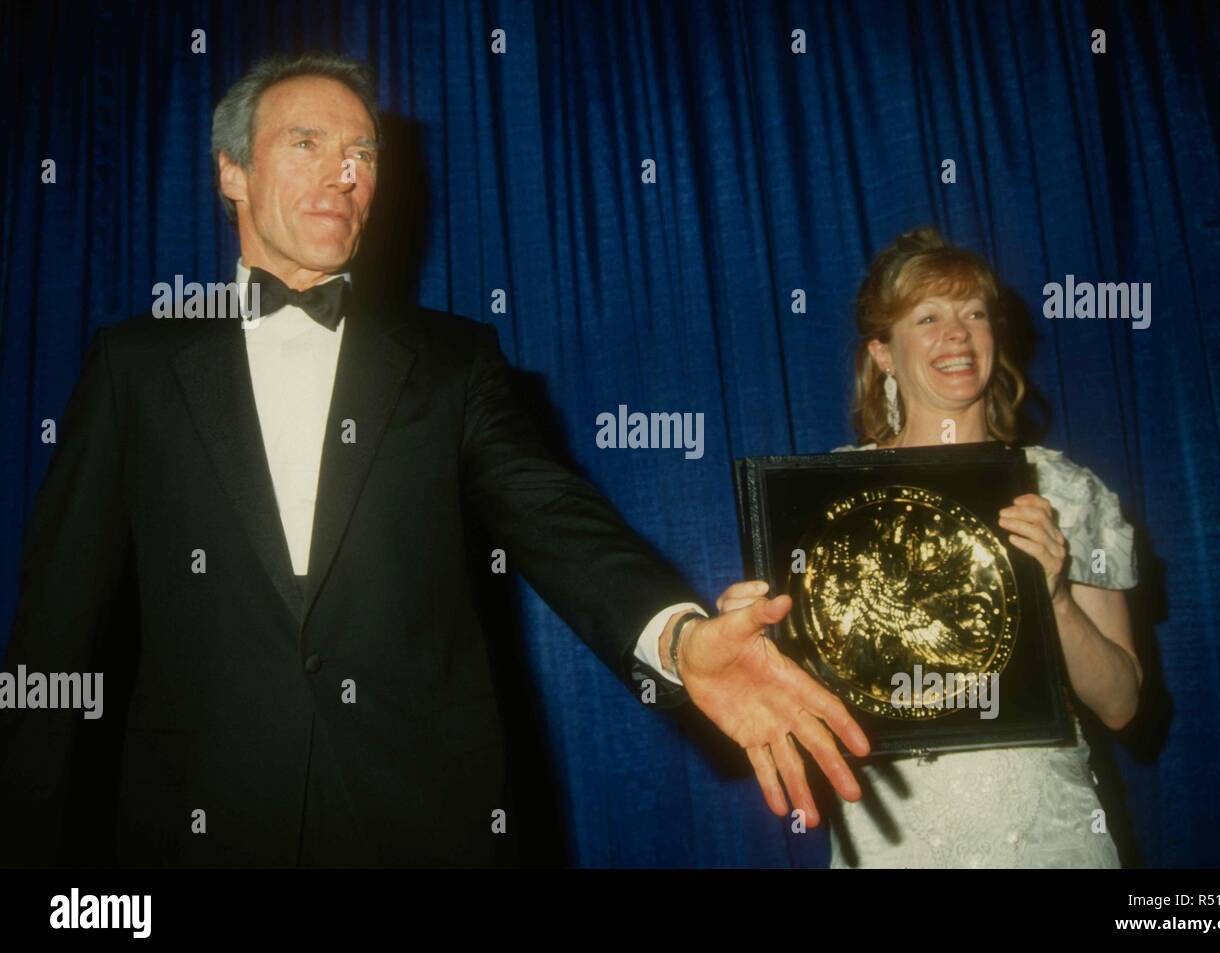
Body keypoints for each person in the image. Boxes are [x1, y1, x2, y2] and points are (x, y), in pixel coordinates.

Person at [0, 51, 869, 867]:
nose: (345, 174)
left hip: (423, 826)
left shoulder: (454, 362)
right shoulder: (135, 365)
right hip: (190, 830)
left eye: (362, 153)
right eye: (307, 144)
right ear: (231, 172)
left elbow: (559, 522)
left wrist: (677, 640)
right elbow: (56, 633)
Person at [717, 227, 1142, 867]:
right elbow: (796, 700)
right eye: (928, 317)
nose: (958, 333)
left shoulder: (1064, 490)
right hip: (892, 839)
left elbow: (1121, 705)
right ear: (882, 353)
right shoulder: (823, 498)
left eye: (974, 313)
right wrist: (749, 643)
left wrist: (1054, 599)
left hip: (1046, 835)